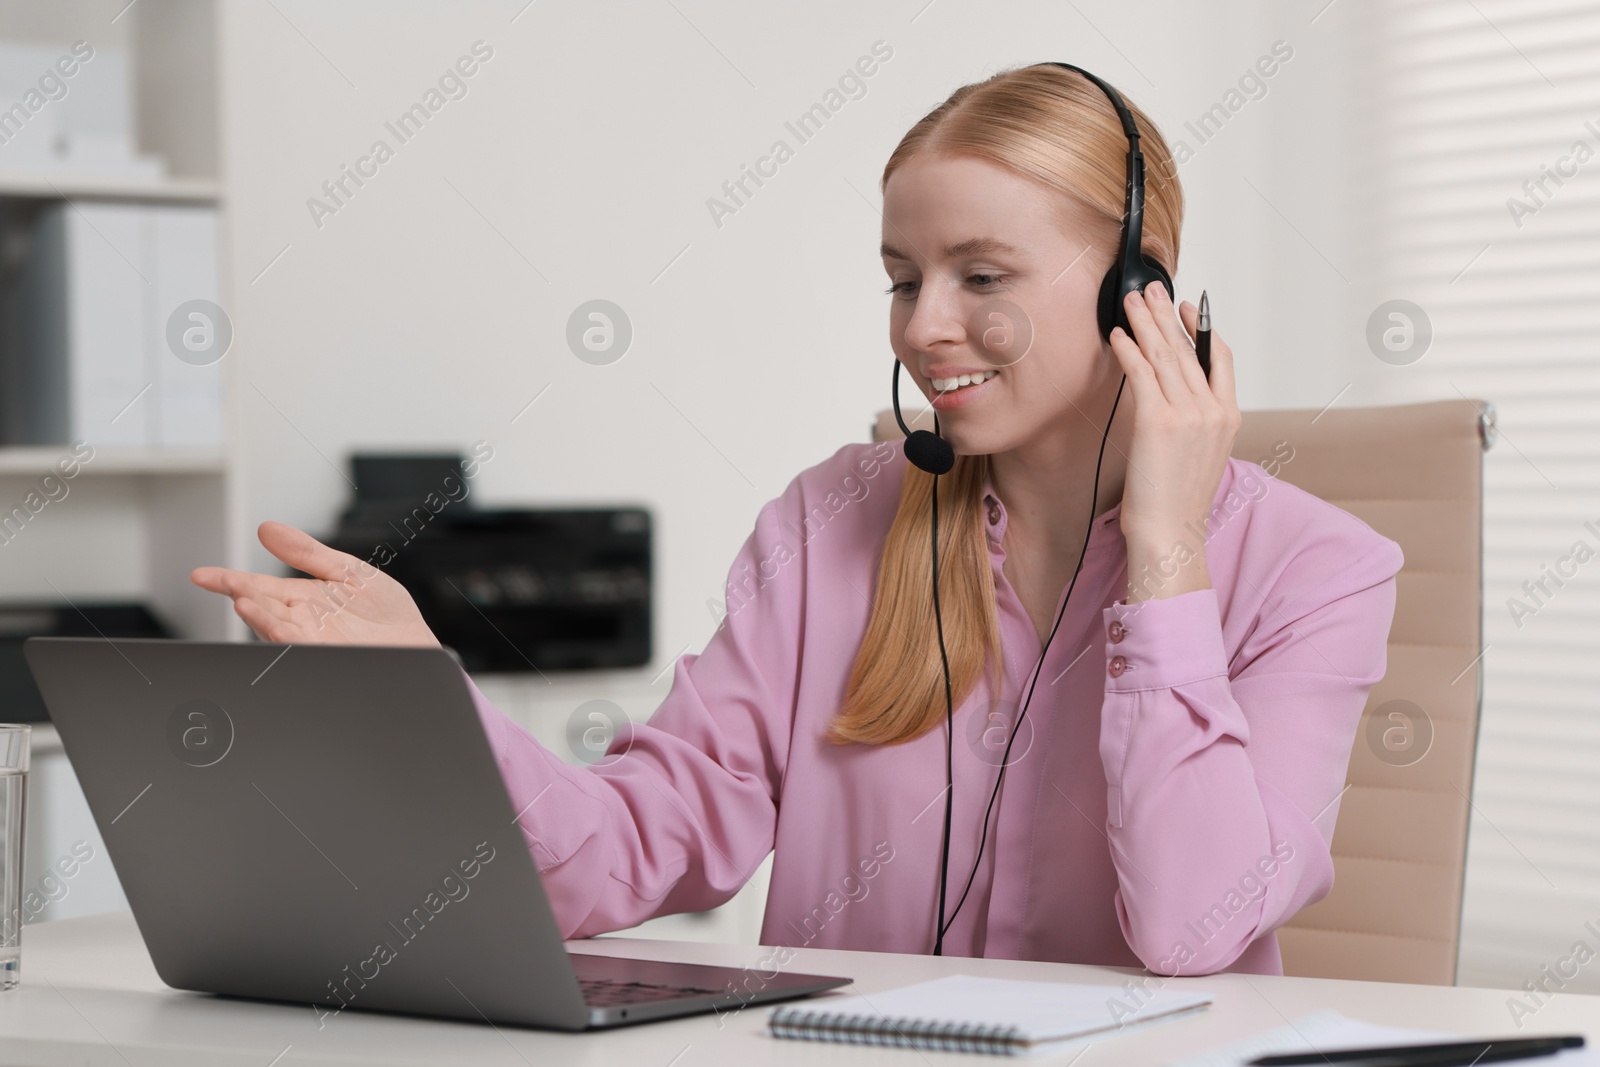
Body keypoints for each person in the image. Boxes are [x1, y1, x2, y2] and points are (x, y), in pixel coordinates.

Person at [191, 64, 1403, 977]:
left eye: (981, 276)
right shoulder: (830, 522)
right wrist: (421, 685)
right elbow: (621, 849)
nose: (923, 327)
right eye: (901, 276)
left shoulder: (1316, 572)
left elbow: (1196, 924)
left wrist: (1166, 555)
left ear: (1136, 293)